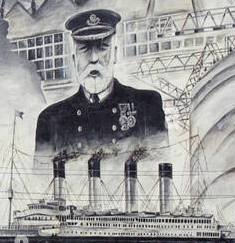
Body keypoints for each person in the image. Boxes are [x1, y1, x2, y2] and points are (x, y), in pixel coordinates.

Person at [34, 9, 166, 158]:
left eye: (102, 47)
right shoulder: (51, 120)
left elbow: (161, 170)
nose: (94, 58)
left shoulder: (146, 106)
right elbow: (41, 180)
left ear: (115, 54)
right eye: (84, 49)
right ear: (73, 60)